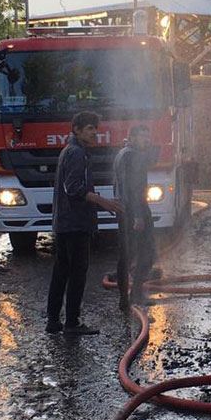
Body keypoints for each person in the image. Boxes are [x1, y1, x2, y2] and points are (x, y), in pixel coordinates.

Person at [47, 111, 121, 335]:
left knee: (61, 271)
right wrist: (101, 201)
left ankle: (53, 321)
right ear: (77, 130)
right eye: (89, 128)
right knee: (77, 273)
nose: (94, 133)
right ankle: (72, 323)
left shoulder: (69, 151)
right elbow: (73, 189)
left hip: (64, 222)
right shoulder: (77, 153)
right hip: (76, 223)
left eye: (95, 128)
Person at [112, 125, 158, 312]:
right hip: (135, 210)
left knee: (127, 255)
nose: (146, 140)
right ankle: (136, 295)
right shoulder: (133, 156)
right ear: (131, 138)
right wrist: (138, 215)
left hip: (125, 209)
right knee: (147, 253)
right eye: (142, 137)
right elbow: (134, 188)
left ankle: (125, 300)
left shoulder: (123, 153)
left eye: (148, 136)